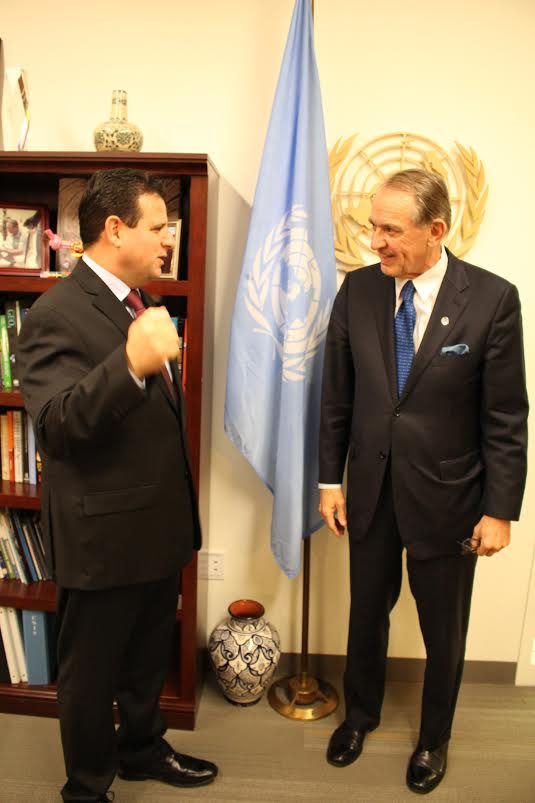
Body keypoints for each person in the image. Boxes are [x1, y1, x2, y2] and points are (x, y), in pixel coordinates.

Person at [319, 169, 528, 794]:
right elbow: (336, 398)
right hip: (371, 490)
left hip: (450, 498)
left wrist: (500, 510)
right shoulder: (357, 291)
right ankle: (359, 716)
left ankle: (434, 739)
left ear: (436, 230)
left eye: (390, 230)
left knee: (444, 630)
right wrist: (329, 482)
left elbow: (505, 416)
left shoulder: (492, 299)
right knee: (366, 614)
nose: (375, 242)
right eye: (372, 226)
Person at [17, 168, 218, 803]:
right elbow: (58, 426)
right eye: (159, 228)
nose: (168, 240)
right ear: (114, 229)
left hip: (154, 527)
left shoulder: (140, 302)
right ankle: (86, 788)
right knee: (91, 674)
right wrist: (131, 362)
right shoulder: (54, 312)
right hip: (102, 538)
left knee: (144, 659)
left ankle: (141, 749)